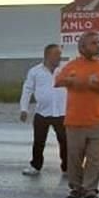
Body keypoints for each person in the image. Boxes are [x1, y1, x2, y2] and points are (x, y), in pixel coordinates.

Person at [55, 31, 99, 198]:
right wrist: (71, 81)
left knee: (95, 159)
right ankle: (76, 188)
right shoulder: (72, 66)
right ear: (82, 47)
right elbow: (58, 81)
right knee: (74, 157)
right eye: (93, 43)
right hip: (75, 121)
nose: (98, 45)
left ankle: (90, 191)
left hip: (98, 121)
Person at [20, 44, 68, 176]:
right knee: (39, 141)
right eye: (56, 54)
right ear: (47, 55)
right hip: (42, 112)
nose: (59, 57)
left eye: (60, 54)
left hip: (61, 112)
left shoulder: (65, 70)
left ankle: (67, 167)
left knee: (65, 141)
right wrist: (24, 109)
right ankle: (35, 165)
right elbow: (27, 90)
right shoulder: (35, 71)